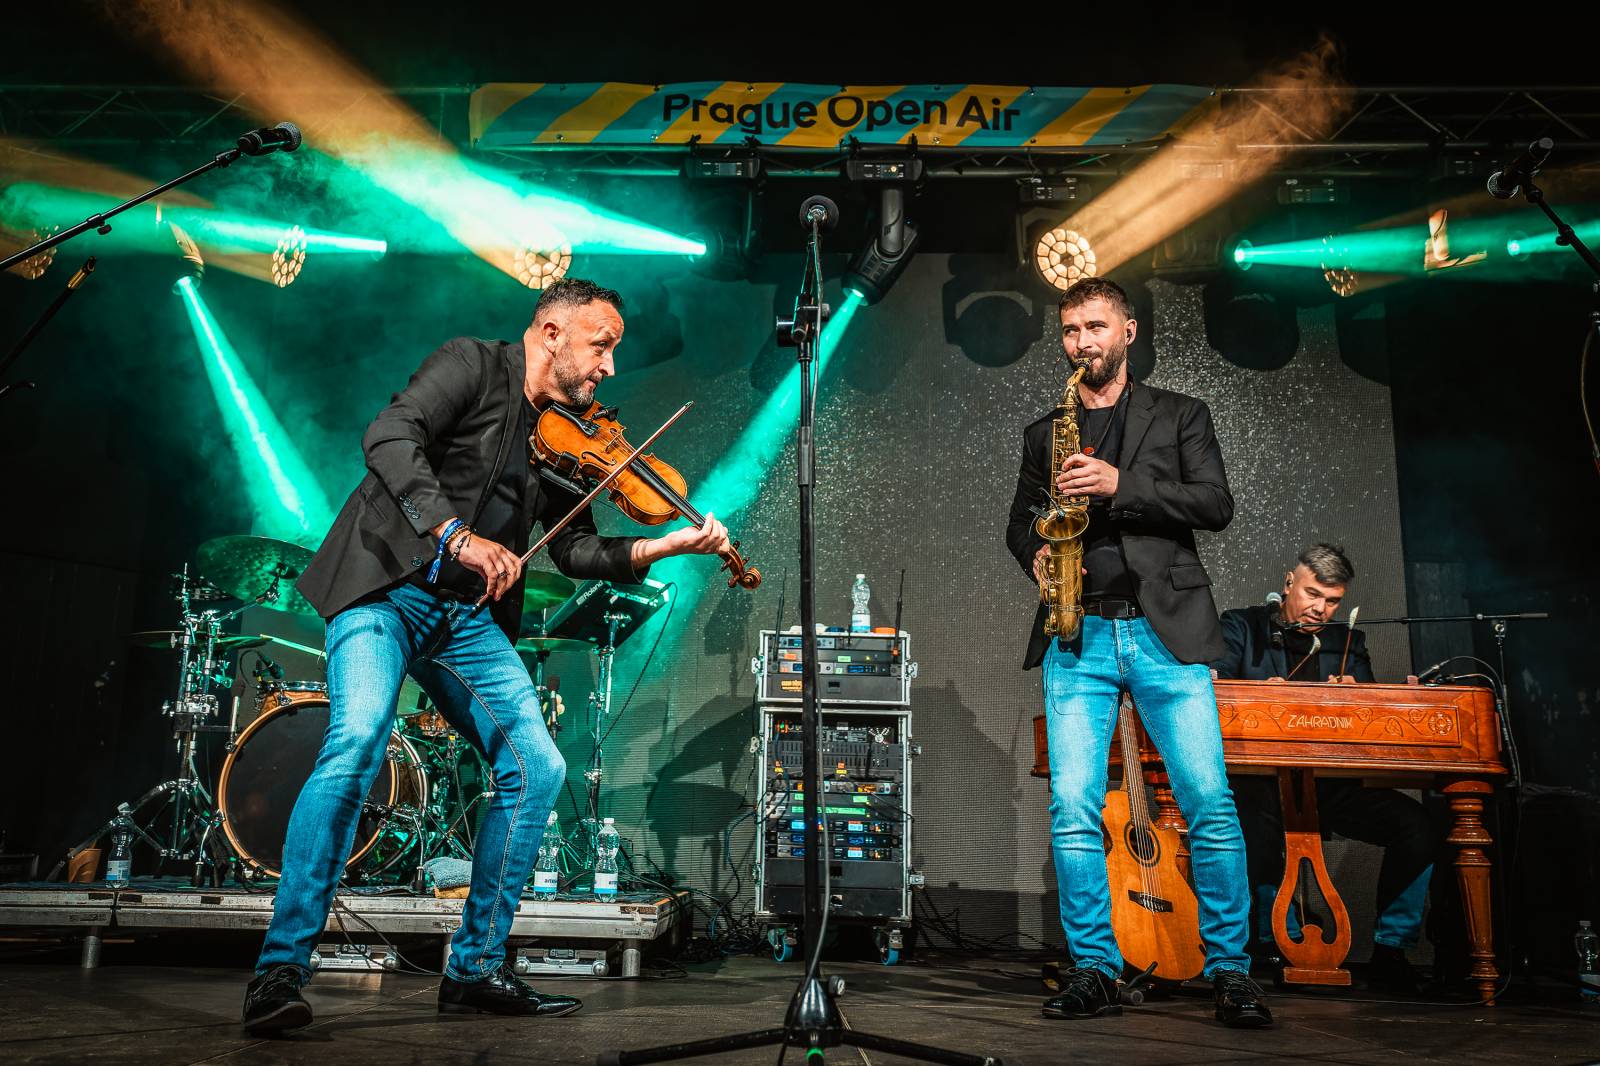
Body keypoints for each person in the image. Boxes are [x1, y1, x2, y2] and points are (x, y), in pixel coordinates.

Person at [242, 278, 731, 1034]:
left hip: (465, 618)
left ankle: (473, 967)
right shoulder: (471, 363)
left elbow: (572, 548)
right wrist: (455, 535)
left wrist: (663, 546)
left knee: (538, 766)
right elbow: (389, 436)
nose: (608, 367)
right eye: (601, 346)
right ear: (552, 332)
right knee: (358, 740)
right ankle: (280, 969)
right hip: (384, 588)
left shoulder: (566, 432)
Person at [1005, 276, 1271, 1028]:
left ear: (1127, 331)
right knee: (1072, 810)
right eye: (1070, 330)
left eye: (1095, 327)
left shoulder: (1183, 414)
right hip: (1077, 632)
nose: (1081, 343)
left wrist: (1121, 484)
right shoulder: (1045, 431)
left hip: (1166, 632)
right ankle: (1095, 967)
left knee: (1209, 804)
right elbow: (1019, 521)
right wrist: (1035, 554)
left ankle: (1230, 971)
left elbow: (1214, 504)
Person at [1213, 543, 1433, 992]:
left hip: (1330, 786)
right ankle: (1275, 940)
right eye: (1312, 594)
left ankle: (1392, 949)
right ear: (1288, 583)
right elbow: (1214, 688)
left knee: (1419, 827)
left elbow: (1368, 720)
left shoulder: (1346, 641)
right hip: (1258, 783)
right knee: (1255, 823)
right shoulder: (1241, 626)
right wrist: (1262, 695)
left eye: (1332, 601)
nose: (1320, 609)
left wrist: (1362, 695)